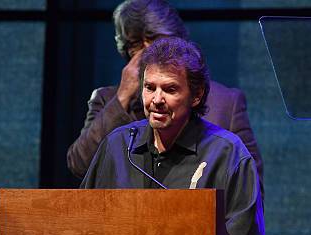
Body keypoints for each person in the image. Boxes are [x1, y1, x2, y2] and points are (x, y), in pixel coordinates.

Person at [81, 36, 266, 235]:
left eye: (169, 89)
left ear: (196, 96)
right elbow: (84, 223)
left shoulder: (227, 153)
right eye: (149, 88)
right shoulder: (117, 145)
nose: (157, 99)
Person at [67, 0, 264, 196]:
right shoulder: (108, 100)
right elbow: (80, 166)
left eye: (155, 40)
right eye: (135, 44)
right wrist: (122, 97)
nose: (148, 53)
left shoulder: (225, 103)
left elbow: (249, 190)